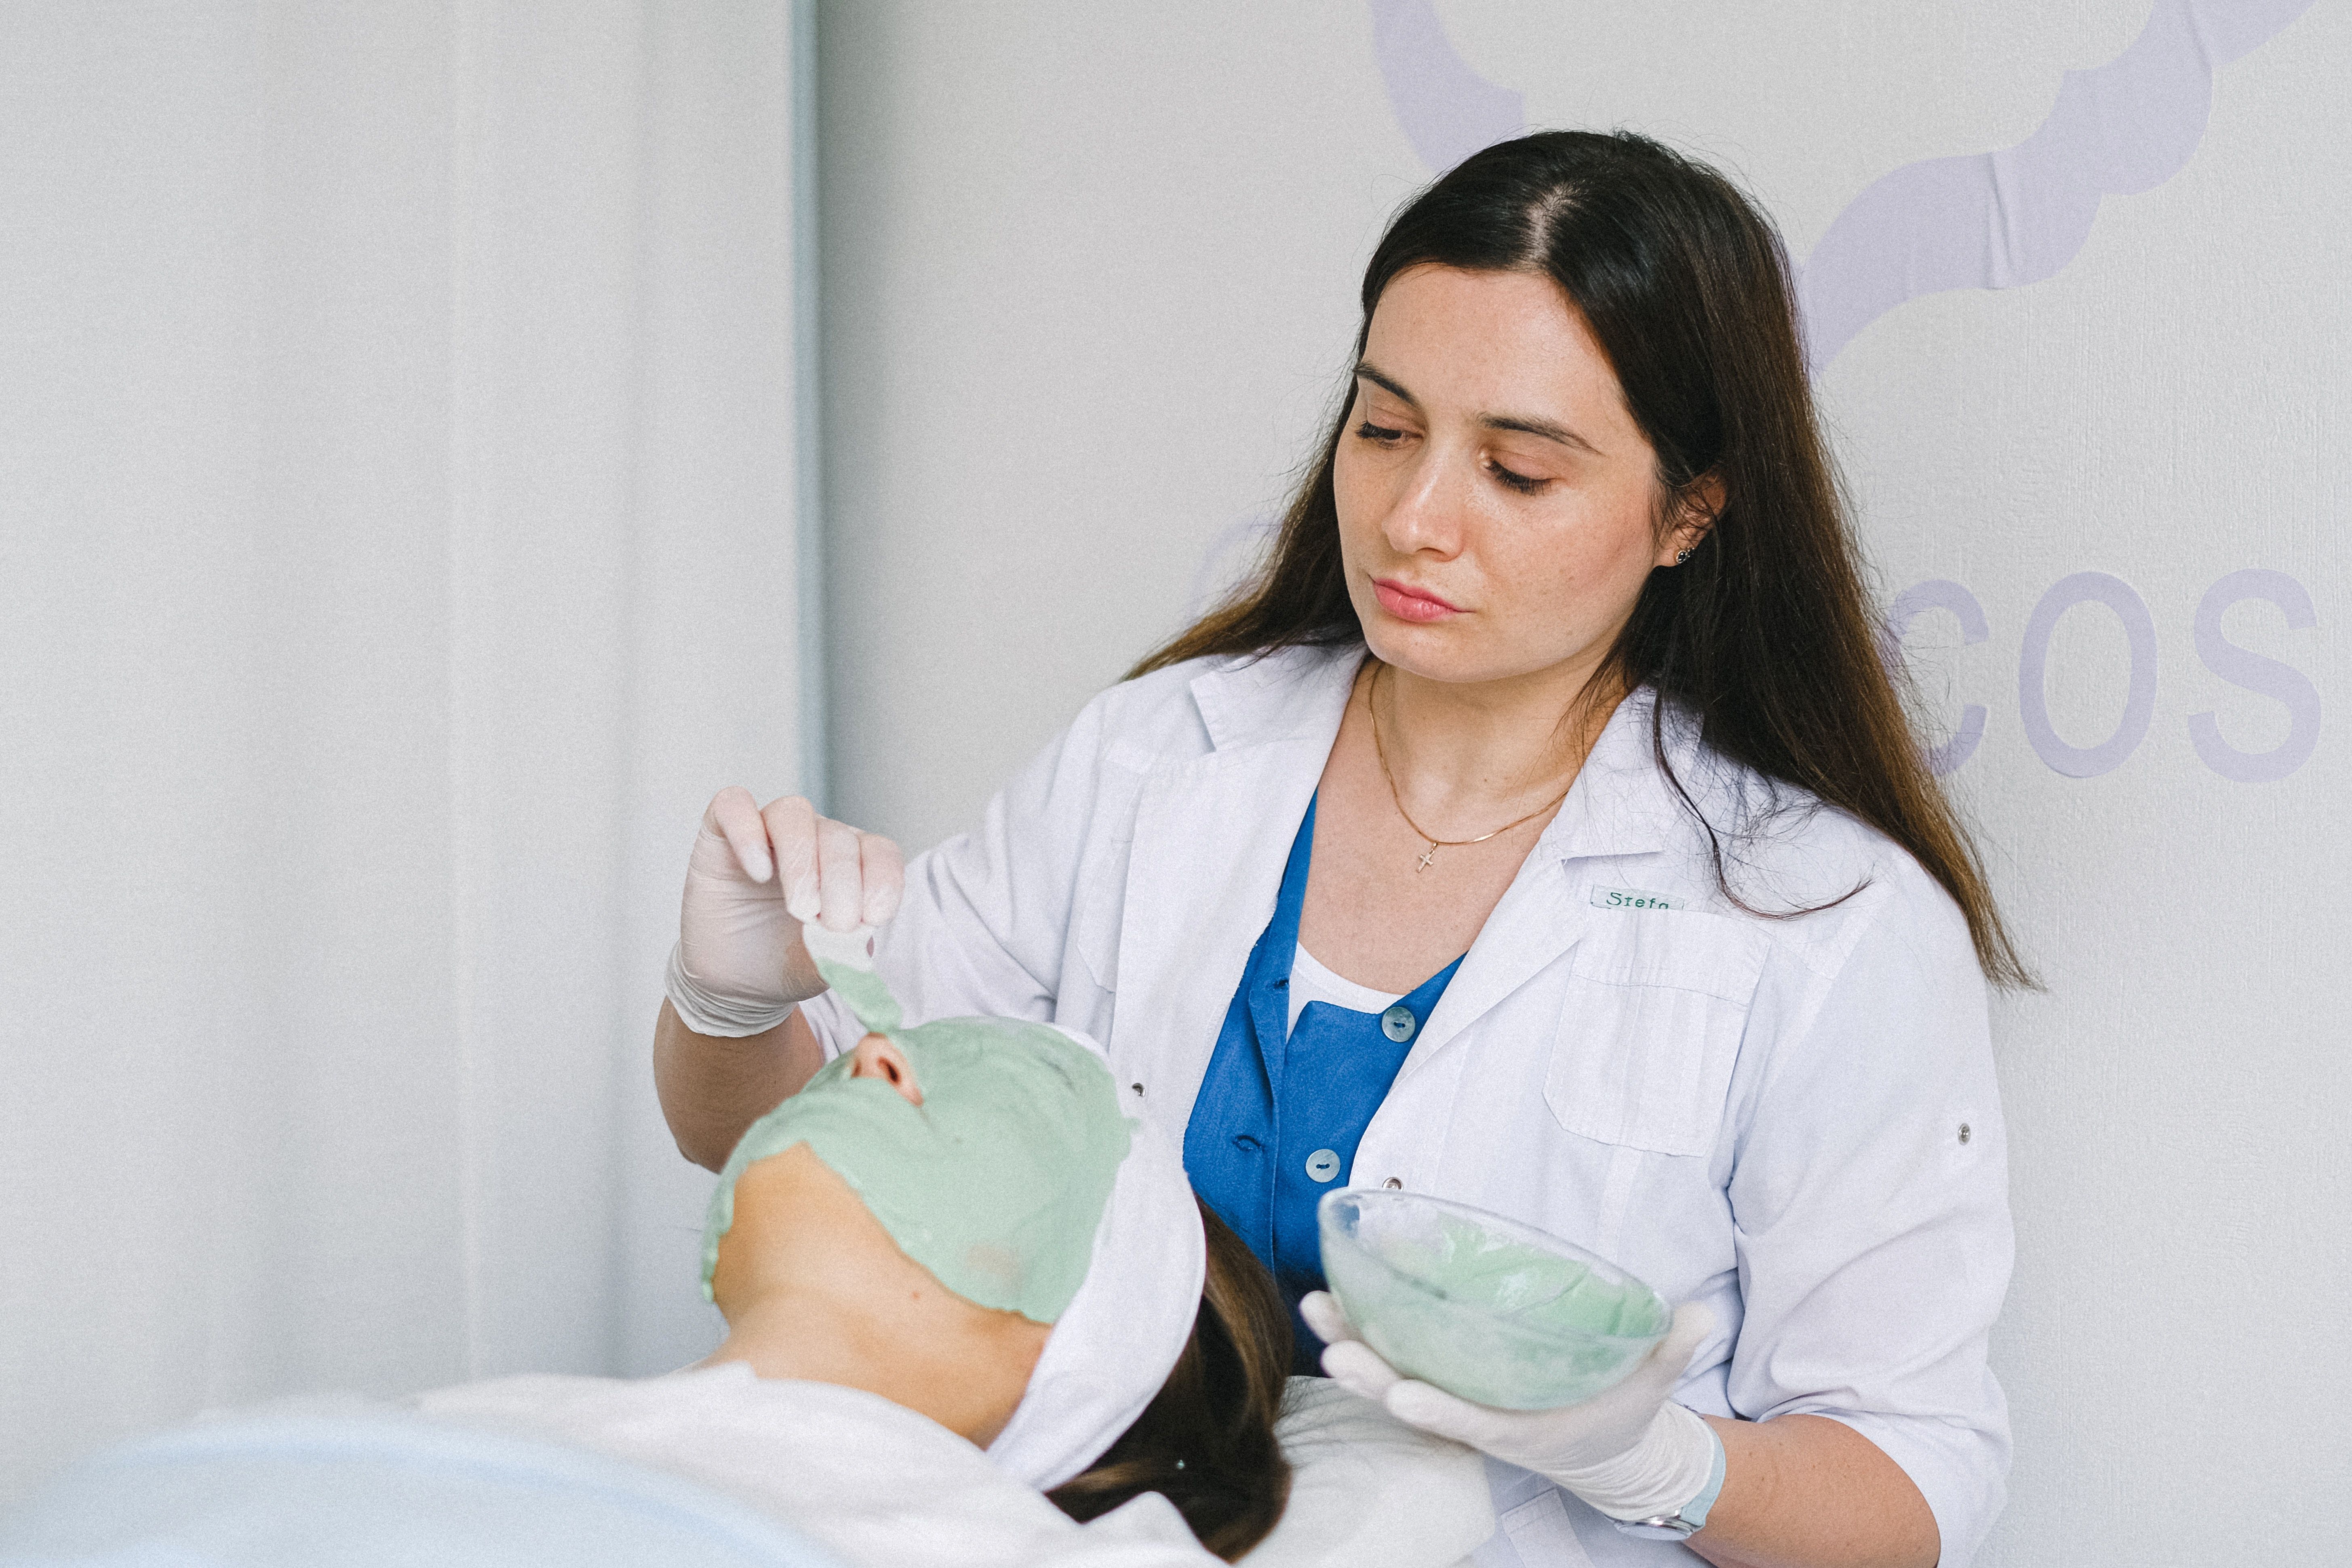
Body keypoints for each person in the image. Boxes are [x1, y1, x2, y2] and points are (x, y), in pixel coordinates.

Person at [655, 129, 2019, 1568]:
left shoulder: (1823, 919)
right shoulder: (1156, 759)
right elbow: (803, 1157)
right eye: (1382, 429)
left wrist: (1647, 1459)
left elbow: (1910, 1493)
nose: (1413, 520)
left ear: (1687, 510)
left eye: (1516, 471)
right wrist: (734, 1002)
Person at [3, 1002, 1295, 1568]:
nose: (882, 1055)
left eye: (997, 1100)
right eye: (894, 1044)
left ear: (1080, 1330)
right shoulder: (413, 1440)